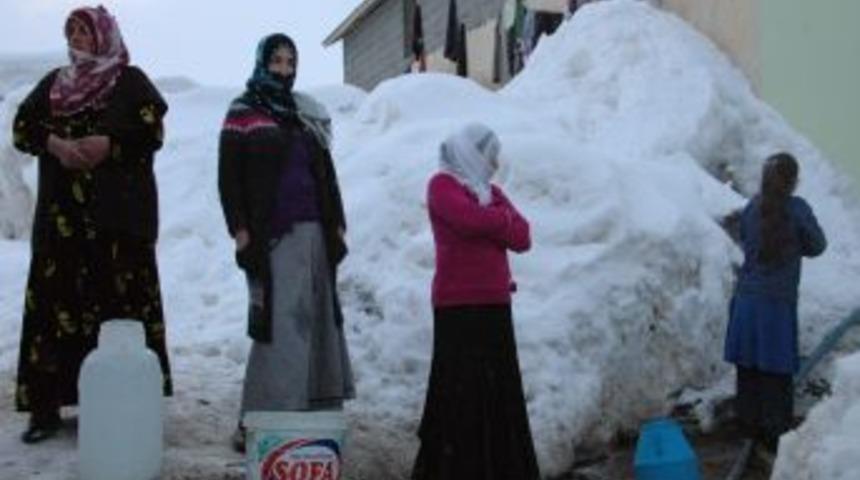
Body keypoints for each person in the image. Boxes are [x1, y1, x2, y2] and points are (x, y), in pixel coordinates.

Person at [11, 5, 172, 444]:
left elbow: (151, 131)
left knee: (117, 311)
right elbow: (22, 128)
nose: (77, 38)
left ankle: (122, 405)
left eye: (84, 30)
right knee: (54, 306)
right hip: (62, 222)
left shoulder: (130, 81)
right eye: (72, 31)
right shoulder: (54, 84)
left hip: (117, 222)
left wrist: (110, 143)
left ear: (103, 35)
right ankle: (45, 410)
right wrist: (55, 144)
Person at [217, 33, 354, 452]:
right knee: (278, 327)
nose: (283, 69)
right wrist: (240, 229)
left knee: (317, 321)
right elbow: (228, 177)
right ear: (262, 62)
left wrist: (338, 224)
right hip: (273, 236)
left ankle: (314, 413)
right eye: (276, 61)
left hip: (315, 232)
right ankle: (259, 419)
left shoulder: (302, 113)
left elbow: (325, 174)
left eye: (289, 62)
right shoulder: (243, 112)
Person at [412, 124, 540, 479]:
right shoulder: (442, 185)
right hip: (457, 307)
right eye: (491, 155)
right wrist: (501, 221)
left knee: (498, 392)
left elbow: (524, 236)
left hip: (495, 304)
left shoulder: (490, 192)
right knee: (461, 393)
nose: (496, 164)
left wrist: (493, 220)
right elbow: (467, 220)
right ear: (472, 153)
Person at [724, 152, 826, 454]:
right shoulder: (797, 209)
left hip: (745, 301)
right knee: (776, 371)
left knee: (749, 366)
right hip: (775, 304)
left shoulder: (753, 208)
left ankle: (748, 428)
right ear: (793, 181)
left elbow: (745, 238)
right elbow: (818, 245)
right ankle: (775, 435)